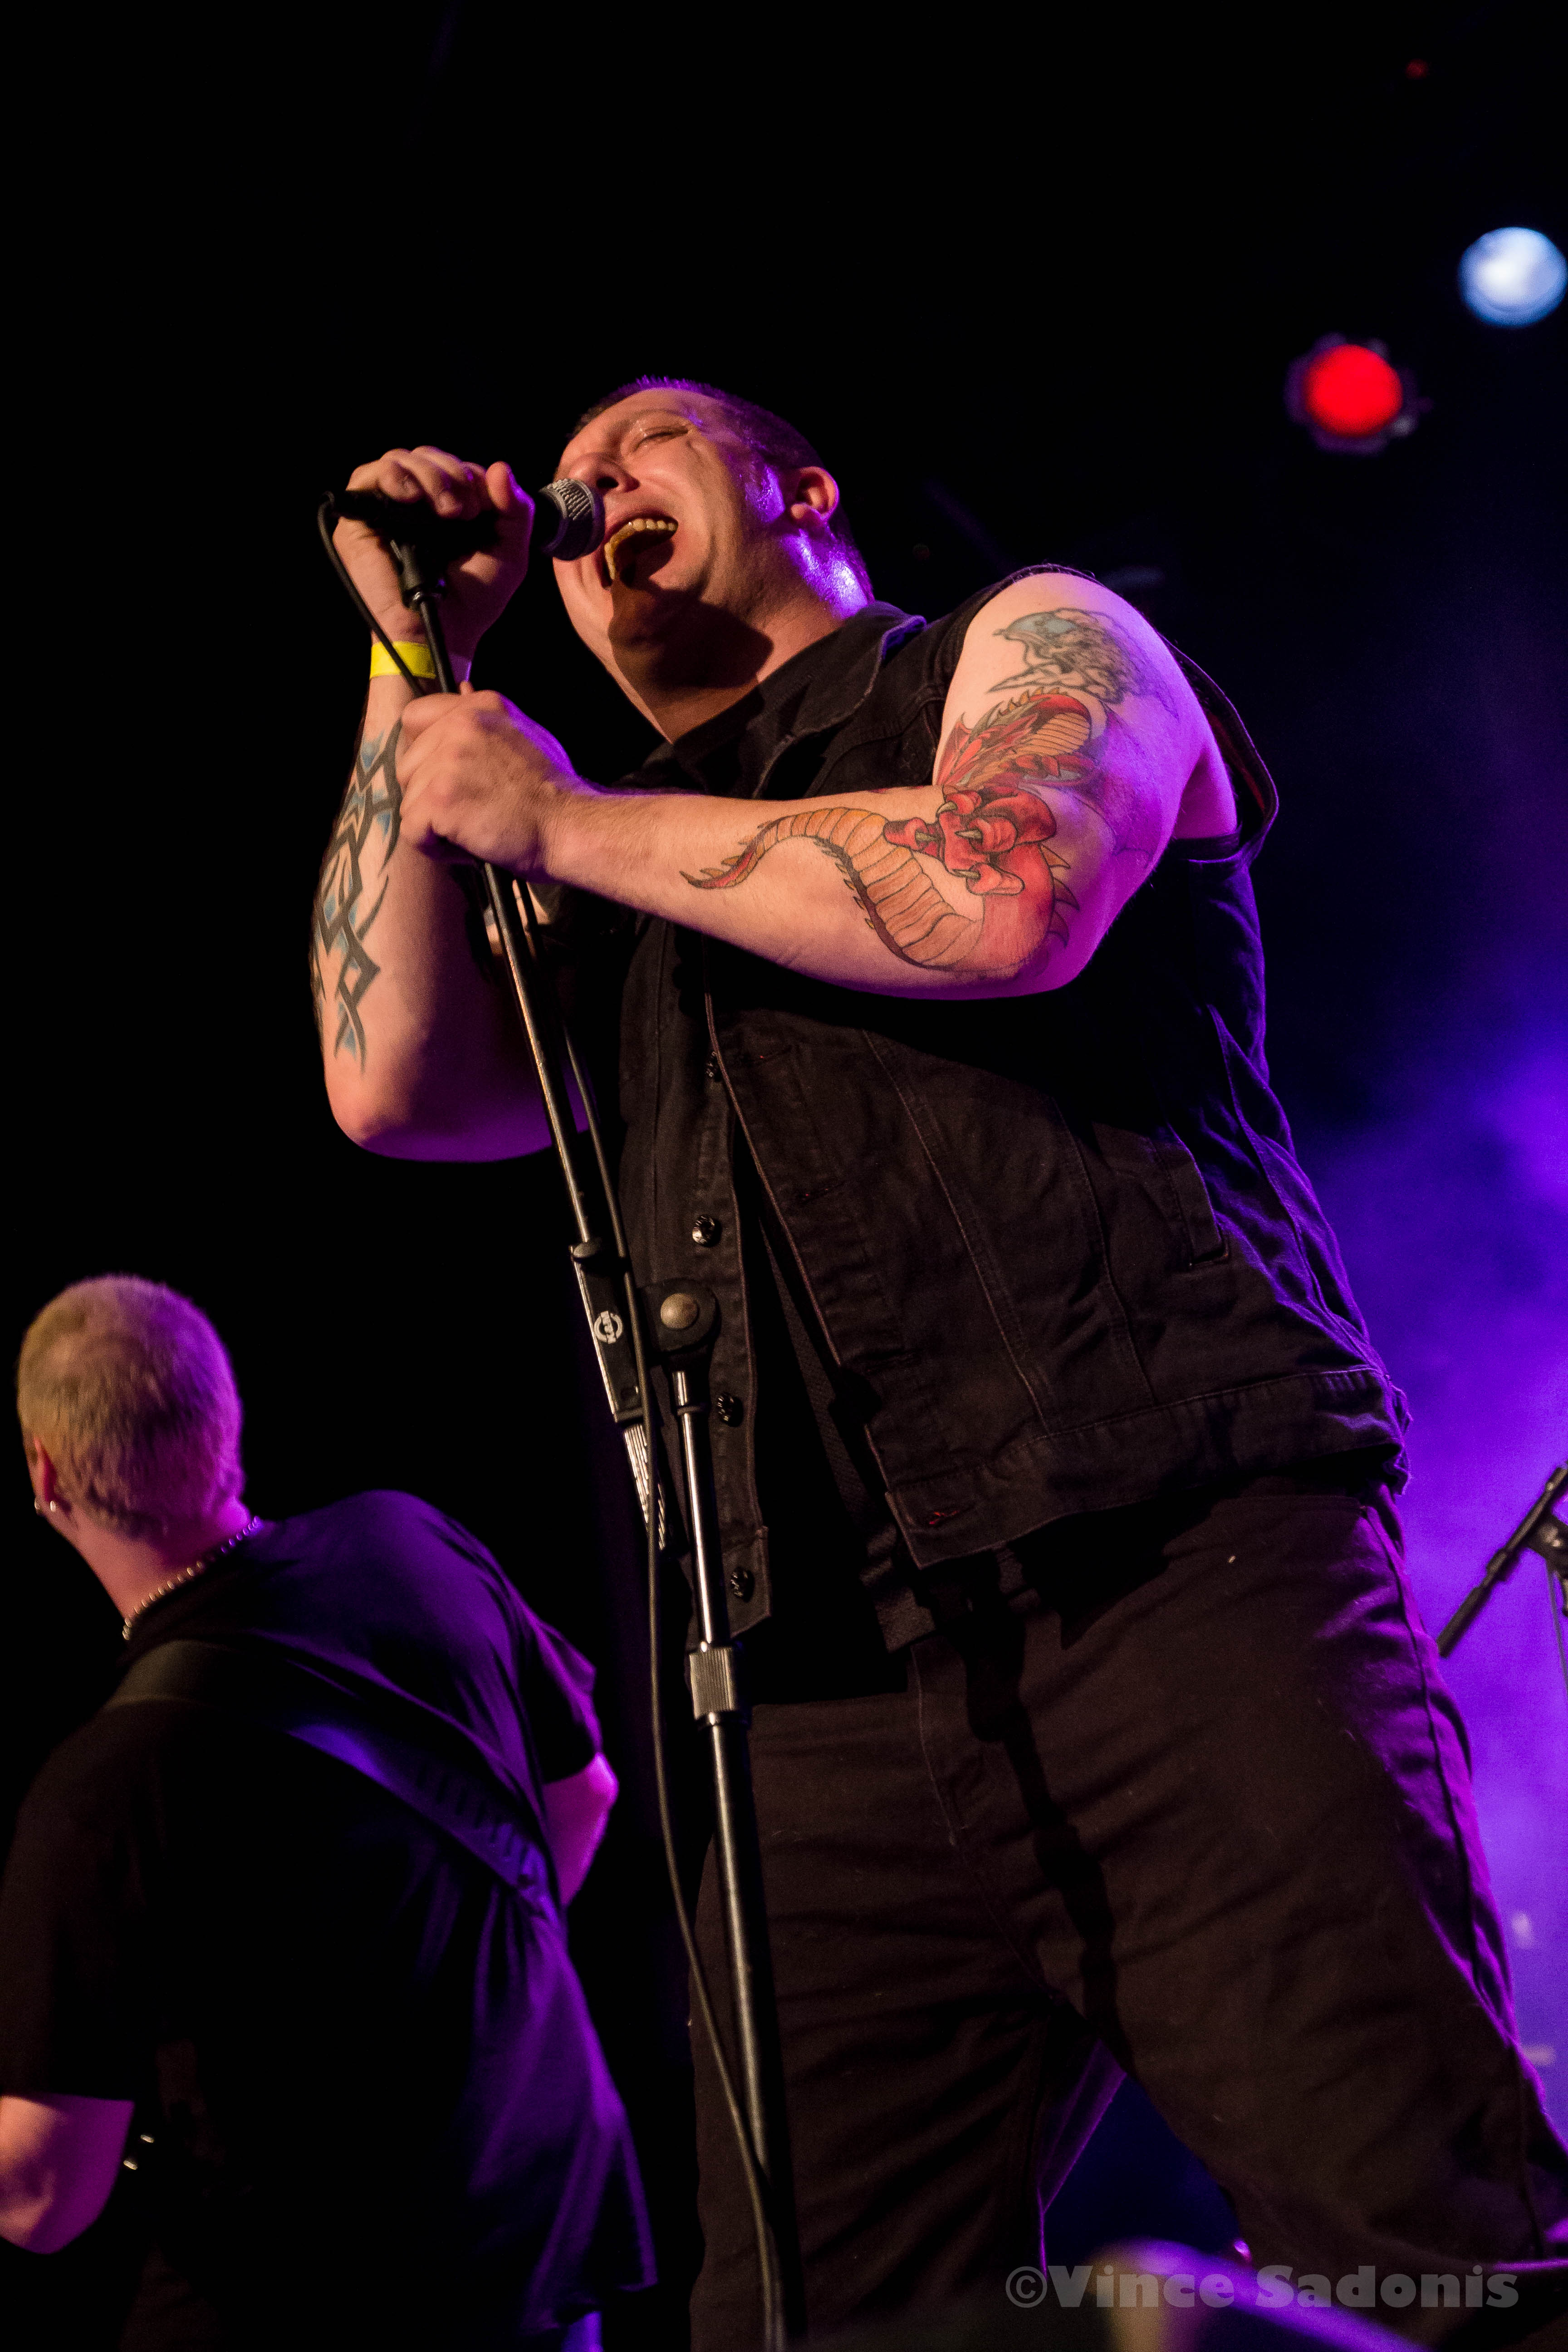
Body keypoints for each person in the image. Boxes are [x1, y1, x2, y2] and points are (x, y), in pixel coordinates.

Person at [309, 383, 1568, 2346]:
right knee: (819, 2321)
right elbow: (389, 1083)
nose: (593, 482)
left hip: (1175, 1577)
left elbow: (1006, 894)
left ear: (800, 490)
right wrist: (415, 660)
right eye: (577, 472)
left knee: (1417, 2240)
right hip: (808, 1685)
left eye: (649, 441)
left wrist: (556, 819)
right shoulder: (624, 884)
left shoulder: (1028, 641)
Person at [0, 1275, 652, 2349]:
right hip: (538, 2235)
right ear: (226, 1419)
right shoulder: (413, 1543)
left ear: (46, 1473)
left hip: (309, 2299)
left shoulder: (99, 1794)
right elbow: (585, 1796)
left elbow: (43, 2197)